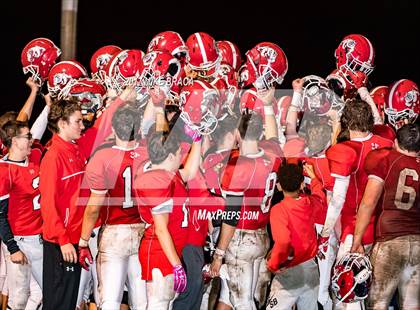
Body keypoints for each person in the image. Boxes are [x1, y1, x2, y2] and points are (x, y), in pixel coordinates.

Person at [78, 105, 148, 310]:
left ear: (114, 129)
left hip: (114, 234)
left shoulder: (102, 157)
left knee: (109, 301)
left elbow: (93, 208)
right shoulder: (148, 155)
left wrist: (83, 241)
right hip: (143, 232)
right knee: (142, 302)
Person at [351, 124, 420, 309]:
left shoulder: (386, 158)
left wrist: (357, 239)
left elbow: (368, 202)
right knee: (412, 304)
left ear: (396, 142)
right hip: (417, 242)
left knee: (377, 303)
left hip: (391, 240)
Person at [135, 127, 202, 309]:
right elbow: (162, 228)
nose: (181, 158)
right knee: (158, 304)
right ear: (171, 156)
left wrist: (197, 140)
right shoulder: (156, 181)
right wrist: (177, 265)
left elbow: (190, 172)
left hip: (170, 251)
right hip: (160, 253)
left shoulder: (170, 176)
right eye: (180, 153)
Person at [266, 163, 326, 310]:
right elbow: (320, 196)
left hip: (290, 275)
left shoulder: (279, 210)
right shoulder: (310, 202)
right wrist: (313, 177)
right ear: (301, 184)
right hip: (311, 272)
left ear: (279, 186)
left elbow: (283, 242)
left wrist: (273, 265)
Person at [0, 121, 43, 309]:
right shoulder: (4, 171)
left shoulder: (34, 157)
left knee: (42, 294)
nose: (31, 140)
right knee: (19, 298)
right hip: (20, 240)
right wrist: (12, 247)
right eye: (27, 137)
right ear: (15, 141)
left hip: (39, 238)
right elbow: (0, 215)